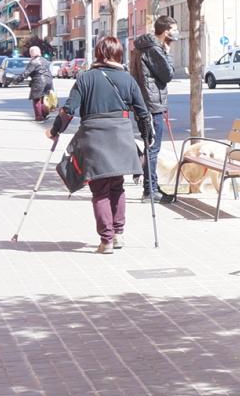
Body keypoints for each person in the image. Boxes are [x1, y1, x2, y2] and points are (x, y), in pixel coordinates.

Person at [49, 35, 153, 254]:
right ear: (118, 54)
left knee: (100, 190)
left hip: (94, 139)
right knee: (117, 186)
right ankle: (118, 234)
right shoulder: (128, 79)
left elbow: (69, 109)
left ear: (99, 54)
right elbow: (143, 113)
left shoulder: (85, 78)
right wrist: (147, 137)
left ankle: (106, 240)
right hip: (121, 138)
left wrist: (55, 130)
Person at [128, 17, 177, 203]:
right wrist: (167, 52)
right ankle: (150, 190)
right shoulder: (154, 49)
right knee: (152, 148)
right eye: (173, 30)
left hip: (144, 103)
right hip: (152, 105)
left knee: (150, 146)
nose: (175, 33)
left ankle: (153, 187)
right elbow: (168, 74)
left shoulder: (140, 47)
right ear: (165, 32)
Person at [26, 44, 55, 121]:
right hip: (49, 81)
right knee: (45, 99)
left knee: (36, 100)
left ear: (31, 53)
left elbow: (26, 72)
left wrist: (17, 79)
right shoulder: (46, 61)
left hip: (39, 81)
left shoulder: (33, 62)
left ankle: (39, 116)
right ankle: (44, 114)